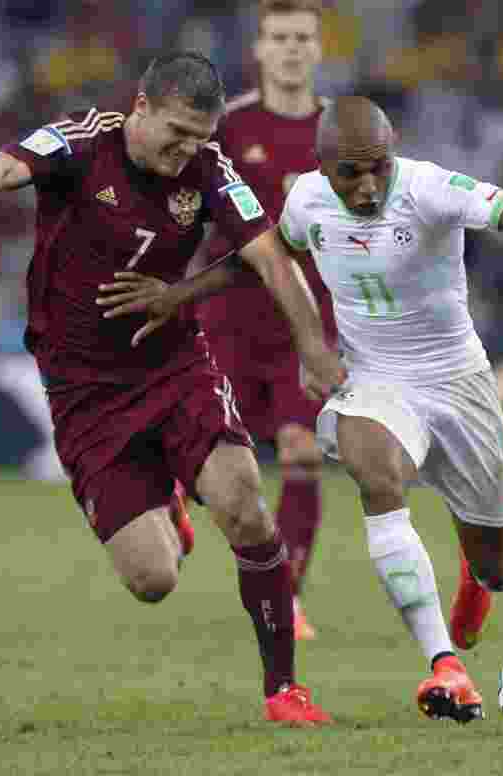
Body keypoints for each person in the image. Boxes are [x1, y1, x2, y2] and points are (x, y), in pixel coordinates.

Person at [102, 96, 503, 723]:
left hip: (458, 384)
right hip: (374, 380)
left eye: (378, 166)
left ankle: (476, 576)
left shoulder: (429, 189)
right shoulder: (307, 201)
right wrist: (176, 294)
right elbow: (256, 262)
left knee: (499, 565)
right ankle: (445, 667)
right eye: (350, 172)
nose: (368, 184)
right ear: (320, 166)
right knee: (374, 473)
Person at [0, 52, 344, 726]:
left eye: (199, 137)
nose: (186, 149)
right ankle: (169, 500)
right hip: (84, 392)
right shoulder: (83, 141)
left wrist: (313, 346)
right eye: (177, 132)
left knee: (245, 505)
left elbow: (271, 256)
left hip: (174, 366)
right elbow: (3, 164)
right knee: (153, 579)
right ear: (143, 107)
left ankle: (284, 691)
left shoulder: (209, 168)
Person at [183, 0, 334, 641]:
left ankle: (287, 597)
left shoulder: (343, 133)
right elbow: (187, 211)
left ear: (320, 48)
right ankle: (178, 506)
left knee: (303, 451)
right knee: (214, 465)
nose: (292, 49)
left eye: (303, 37)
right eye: (280, 37)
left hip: (306, 317)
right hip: (228, 319)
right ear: (261, 49)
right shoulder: (225, 127)